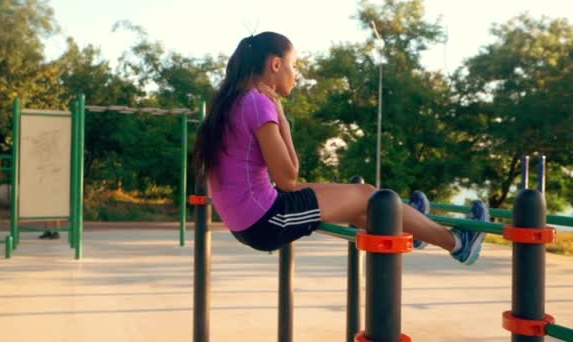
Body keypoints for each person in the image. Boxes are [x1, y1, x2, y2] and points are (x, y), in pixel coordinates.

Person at [192, 32, 487, 265]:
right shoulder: (258, 103)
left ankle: (411, 224)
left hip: (246, 220)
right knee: (368, 195)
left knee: (364, 200)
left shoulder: (231, 101)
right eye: (294, 65)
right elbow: (288, 179)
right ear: (276, 64)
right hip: (266, 220)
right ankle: (458, 244)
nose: (296, 74)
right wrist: (282, 119)